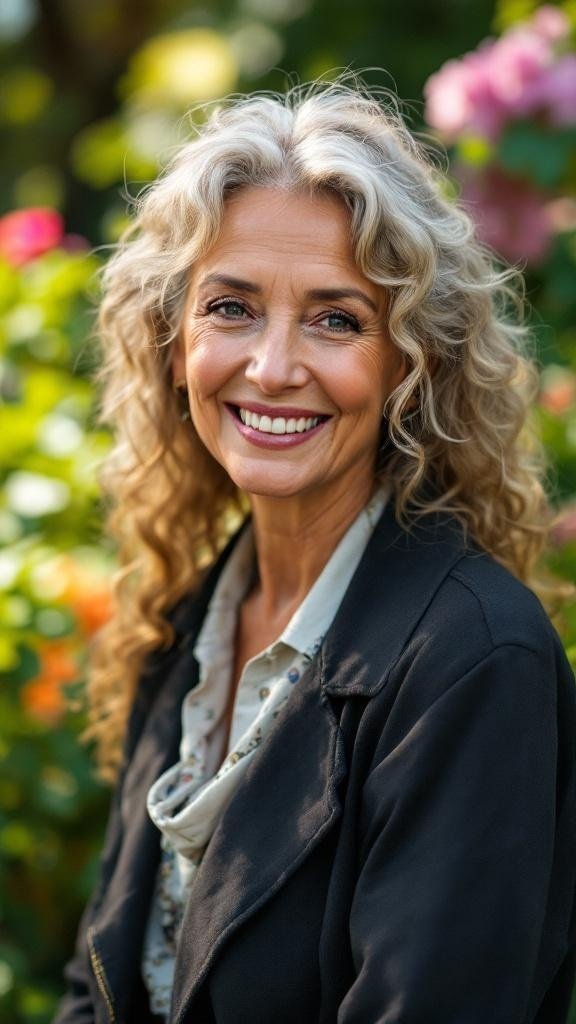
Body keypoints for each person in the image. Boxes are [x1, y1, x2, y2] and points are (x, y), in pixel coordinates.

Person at [54, 79, 576, 1024]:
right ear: (175, 344)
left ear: (409, 364)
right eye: (232, 308)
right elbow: (98, 992)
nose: (272, 367)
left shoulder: (474, 662)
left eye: (337, 319)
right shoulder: (190, 627)